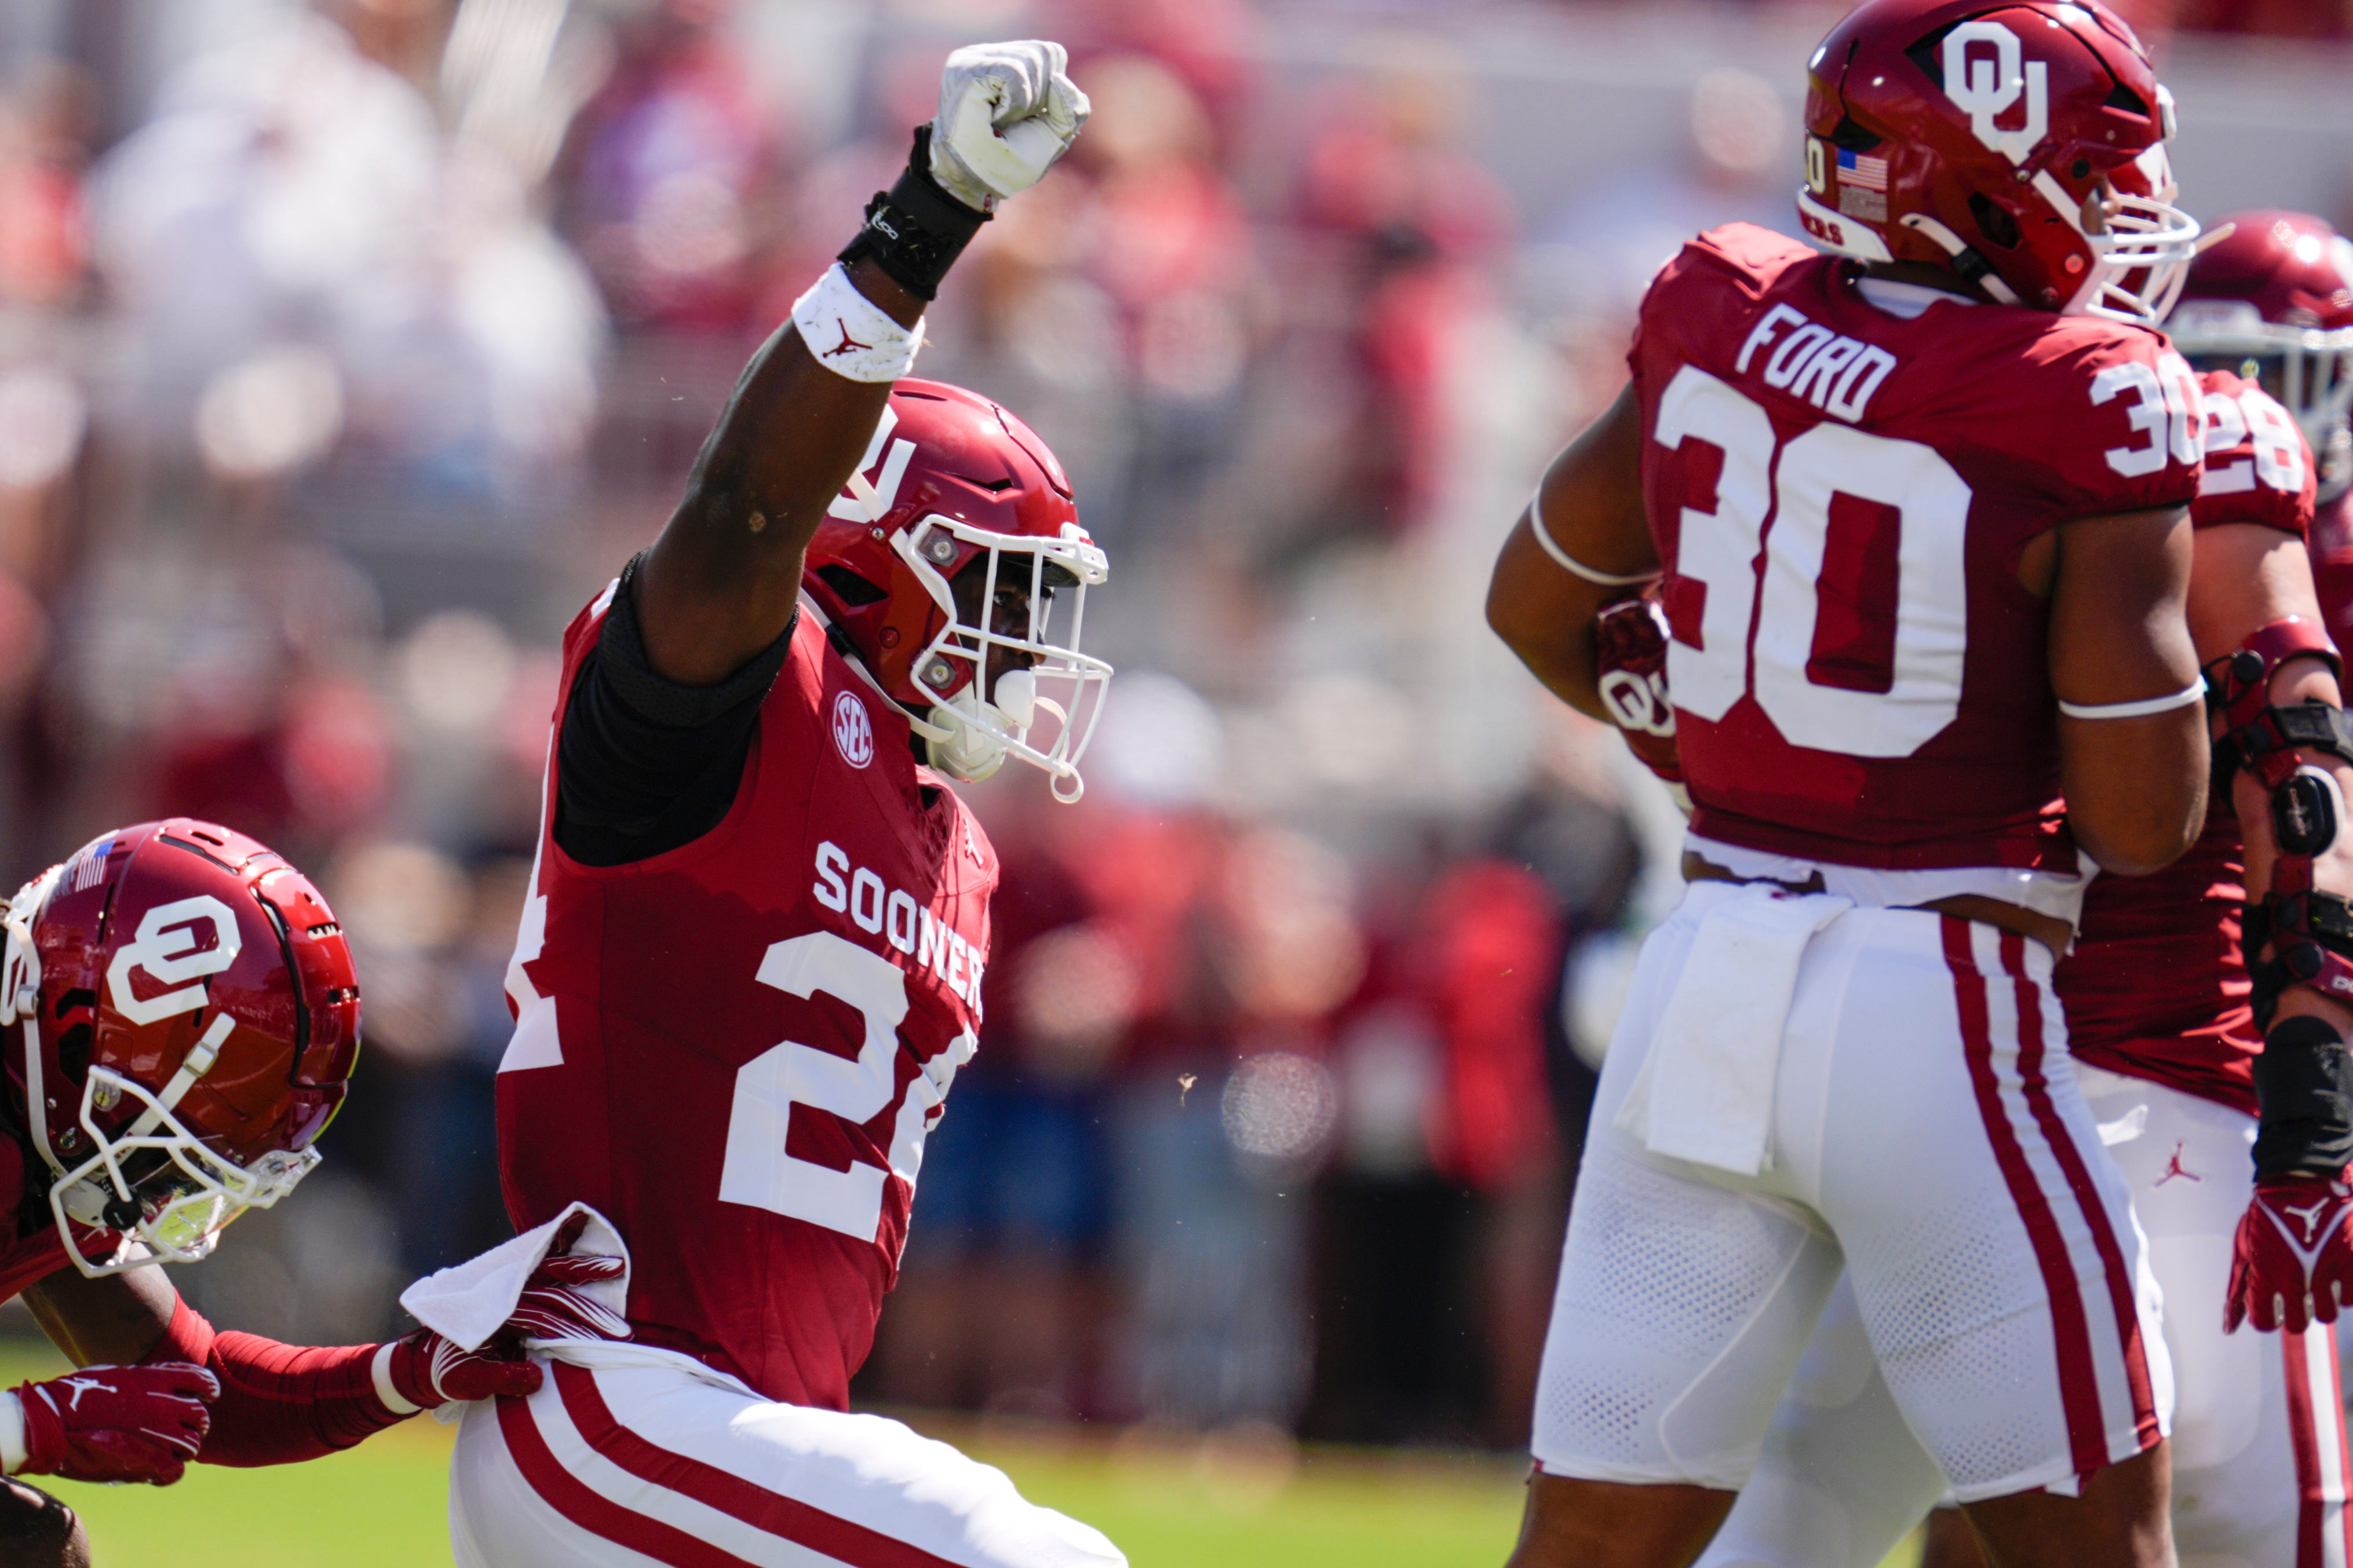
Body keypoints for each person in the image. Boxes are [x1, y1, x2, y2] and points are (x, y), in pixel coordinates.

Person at [1484, 1, 2226, 1563]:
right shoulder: (2083, 391)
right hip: (1936, 1000)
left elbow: (1534, 604)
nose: (2118, 217)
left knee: (1585, 1547)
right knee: (2104, 1547)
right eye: (2090, 178)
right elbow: (2140, 820)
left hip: (1699, 981)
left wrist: (1703, 739)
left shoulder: (1713, 301)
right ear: (1964, 183)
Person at [443, 41, 1125, 1568]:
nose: (1026, 652)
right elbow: (743, 512)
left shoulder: (949, 840)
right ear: (875, 555)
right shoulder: (731, 699)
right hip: (614, 1397)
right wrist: (926, 218)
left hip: (733, 1421)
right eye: (1003, 598)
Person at [1666, 211, 2353, 1568]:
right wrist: (2318, 1099)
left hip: (1951, 1087)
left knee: (1833, 1513)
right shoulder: (2216, 475)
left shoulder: (1928, 436)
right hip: (2170, 1098)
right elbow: (2304, 773)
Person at [0, 818, 598, 1566]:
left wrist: (402, 1373)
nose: (170, 1190)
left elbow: (198, 1384)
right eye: (171, 1144)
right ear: (82, 1031)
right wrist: (24, 1425)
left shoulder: (43, 1113)